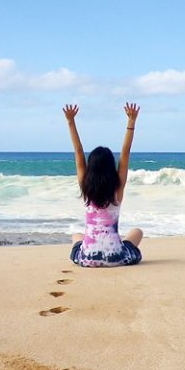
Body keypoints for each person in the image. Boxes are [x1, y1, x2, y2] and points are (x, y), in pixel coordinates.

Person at [63, 102, 144, 267]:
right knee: (137, 232)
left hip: (87, 258)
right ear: (111, 167)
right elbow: (125, 153)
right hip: (117, 258)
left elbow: (78, 152)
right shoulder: (117, 187)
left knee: (76, 236)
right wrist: (131, 122)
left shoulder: (86, 186)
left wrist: (71, 121)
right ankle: (114, 244)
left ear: (90, 168)